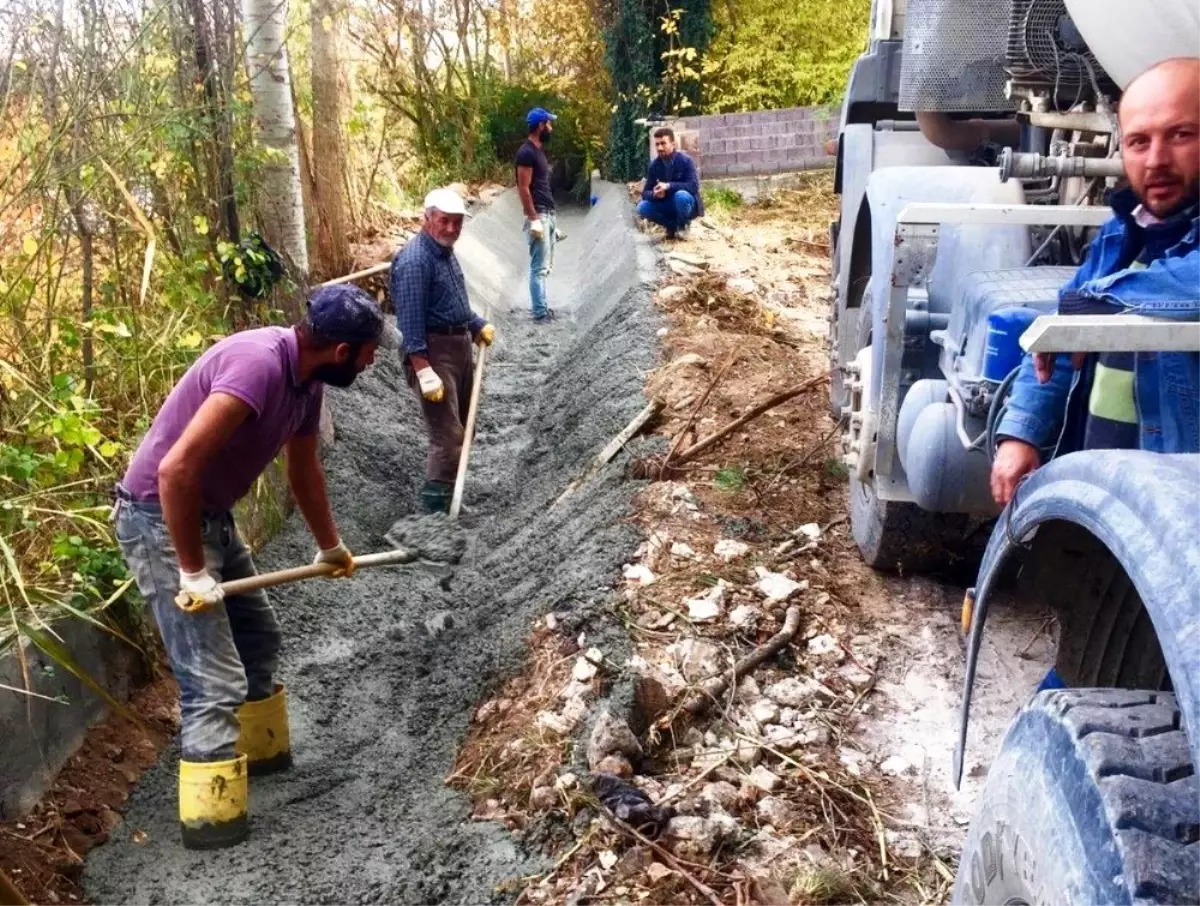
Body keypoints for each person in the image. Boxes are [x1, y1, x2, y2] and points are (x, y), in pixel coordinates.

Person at [113, 284, 398, 849]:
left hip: (211, 516)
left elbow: (304, 469)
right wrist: (193, 572)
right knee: (212, 677)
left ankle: (261, 758)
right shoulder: (257, 367)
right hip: (159, 519)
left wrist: (330, 546)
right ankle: (211, 825)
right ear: (342, 351)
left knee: (259, 637)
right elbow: (173, 472)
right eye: (369, 353)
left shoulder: (306, 380)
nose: (371, 362)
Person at [991, 57, 1200, 507]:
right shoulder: (1121, 232)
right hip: (1102, 490)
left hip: (1178, 506)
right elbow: (1065, 332)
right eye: (1139, 142)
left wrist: (1086, 306)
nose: (1157, 160)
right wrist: (1021, 433)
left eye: (1181, 135)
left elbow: (1186, 284)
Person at [390, 187, 495, 513]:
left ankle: (450, 495)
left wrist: (476, 324)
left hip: (458, 344)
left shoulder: (444, 253)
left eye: (457, 223)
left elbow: (449, 301)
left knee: (465, 425)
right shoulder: (415, 262)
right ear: (427, 218)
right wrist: (423, 369)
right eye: (444, 221)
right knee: (447, 434)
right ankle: (435, 514)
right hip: (433, 352)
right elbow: (409, 320)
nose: (452, 229)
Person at [516, 107, 559, 322]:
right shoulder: (526, 152)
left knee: (545, 267)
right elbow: (523, 187)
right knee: (538, 268)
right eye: (549, 124)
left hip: (547, 214)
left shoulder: (538, 151)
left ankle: (543, 308)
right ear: (541, 125)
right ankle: (540, 312)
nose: (551, 128)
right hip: (539, 214)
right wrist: (534, 219)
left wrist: (551, 219)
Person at [637, 127, 704, 239]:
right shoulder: (654, 166)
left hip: (686, 204)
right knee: (642, 207)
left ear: (673, 144)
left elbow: (694, 186)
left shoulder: (685, 161)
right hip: (666, 204)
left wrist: (668, 186)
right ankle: (672, 227)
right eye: (657, 144)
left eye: (663, 143)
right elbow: (645, 193)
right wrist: (654, 194)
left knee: (681, 196)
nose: (659, 147)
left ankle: (683, 226)